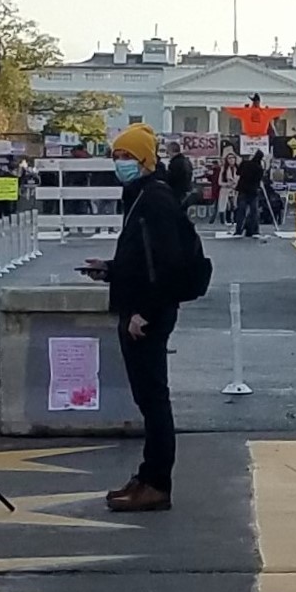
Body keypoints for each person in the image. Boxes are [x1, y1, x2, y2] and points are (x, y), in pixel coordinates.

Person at [81, 124, 186, 512]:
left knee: (154, 399)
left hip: (147, 313)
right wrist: (110, 269)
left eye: (126, 156)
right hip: (139, 305)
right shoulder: (141, 195)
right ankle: (147, 475)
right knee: (147, 399)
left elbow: (164, 264)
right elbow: (141, 259)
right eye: (116, 156)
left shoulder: (154, 199)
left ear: (144, 159)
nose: (119, 163)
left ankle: (157, 482)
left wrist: (144, 312)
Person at [234, 151, 265, 237]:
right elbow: (259, 179)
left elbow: (238, 173)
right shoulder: (259, 168)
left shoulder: (245, 163)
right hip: (253, 191)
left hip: (242, 189)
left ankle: (238, 230)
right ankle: (255, 231)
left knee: (241, 211)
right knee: (254, 212)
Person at [165, 142, 195, 207]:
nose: (167, 154)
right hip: (186, 194)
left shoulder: (175, 163)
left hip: (177, 194)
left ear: (171, 150)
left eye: (167, 151)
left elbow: (171, 179)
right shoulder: (187, 161)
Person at [216, 152, 240, 225]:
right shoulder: (223, 169)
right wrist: (227, 184)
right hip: (225, 189)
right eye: (229, 158)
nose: (231, 160)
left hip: (235, 189)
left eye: (233, 158)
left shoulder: (238, 168)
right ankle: (227, 220)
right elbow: (219, 182)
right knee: (226, 206)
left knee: (235, 205)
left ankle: (235, 220)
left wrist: (236, 184)